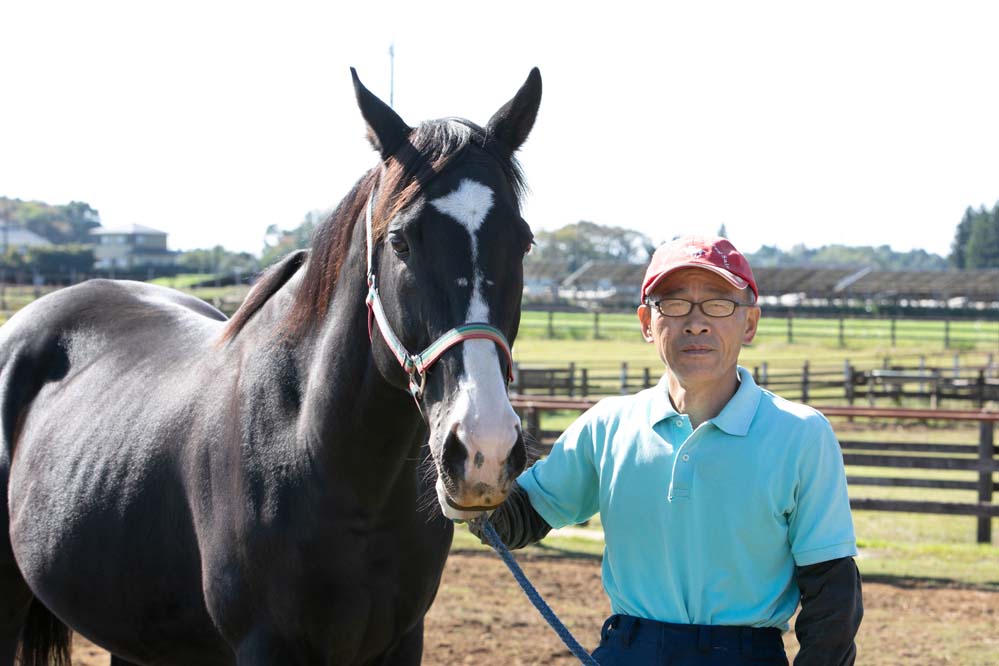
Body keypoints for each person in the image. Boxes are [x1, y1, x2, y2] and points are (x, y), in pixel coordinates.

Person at [470, 235, 863, 665]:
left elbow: (833, 599)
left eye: (718, 303)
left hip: (746, 654)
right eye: (674, 304)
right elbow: (519, 518)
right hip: (630, 649)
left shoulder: (802, 435)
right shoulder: (607, 426)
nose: (696, 323)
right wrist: (469, 471)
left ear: (749, 322)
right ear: (645, 322)